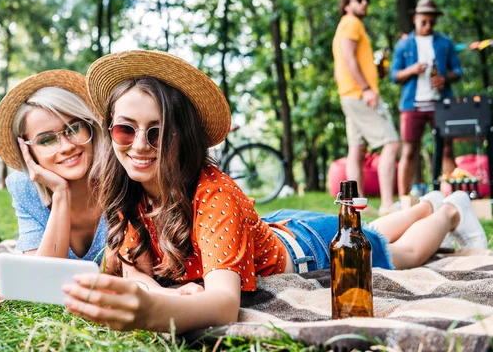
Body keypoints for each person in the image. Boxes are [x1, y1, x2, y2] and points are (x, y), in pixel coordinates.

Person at [60, 50, 487, 334]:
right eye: (125, 128)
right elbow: (137, 270)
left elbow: (223, 305)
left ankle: (449, 210)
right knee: (371, 227)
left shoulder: (212, 192)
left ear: (183, 137)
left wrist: (156, 309)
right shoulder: (124, 191)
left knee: (397, 254)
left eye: (158, 132)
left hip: (307, 246)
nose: (138, 145)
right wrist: (162, 290)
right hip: (276, 228)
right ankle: (425, 205)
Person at [0, 70, 110, 310]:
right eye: (46, 140)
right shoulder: (24, 186)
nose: (66, 146)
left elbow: (39, 279)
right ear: (28, 150)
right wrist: (60, 193)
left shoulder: (120, 175)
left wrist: (29, 279)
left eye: (73, 129)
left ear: (90, 128)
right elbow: (42, 278)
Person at [332, 0, 400, 215]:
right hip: (360, 95)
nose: (364, 3)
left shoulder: (343, 26)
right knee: (391, 143)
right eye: (359, 0)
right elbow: (350, 58)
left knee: (357, 150)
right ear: (347, 5)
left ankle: (357, 206)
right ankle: (388, 203)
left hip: (348, 95)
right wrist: (367, 88)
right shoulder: (352, 23)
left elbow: (339, 67)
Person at [390, 0, 462, 196]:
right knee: (410, 150)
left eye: (431, 21)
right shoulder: (404, 44)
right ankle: (404, 198)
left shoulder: (445, 42)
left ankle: (454, 196)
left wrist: (444, 79)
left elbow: (457, 70)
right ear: (415, 19)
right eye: (424, 21)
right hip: (412, 104)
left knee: (447, 149)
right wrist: (412, 69)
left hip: (440, 103)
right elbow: (394, 75)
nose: (428, 25)